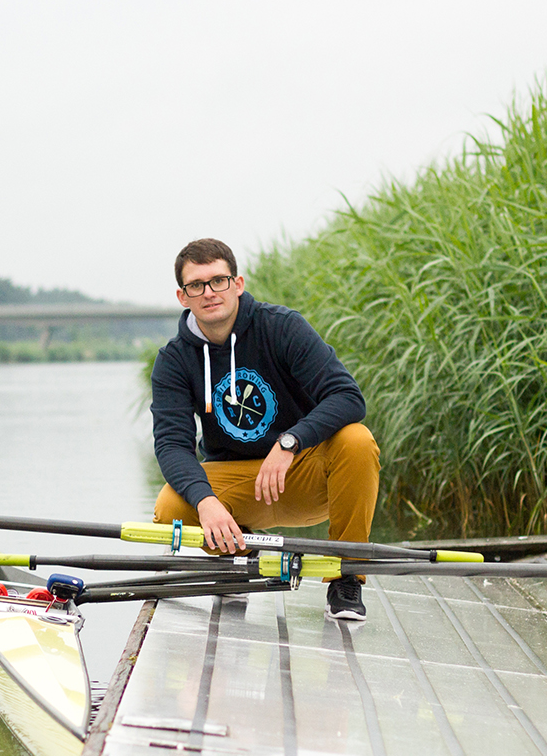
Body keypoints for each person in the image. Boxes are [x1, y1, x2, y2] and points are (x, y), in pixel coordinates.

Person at [150, 237, 380, 620]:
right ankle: (239, 552)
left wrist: (290, 442)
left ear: (237, 284)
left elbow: (348, 397)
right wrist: (206, 503)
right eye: (196, 285)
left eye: (218, 280)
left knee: (357, 440)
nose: (209, 292)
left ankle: (346, 577)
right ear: (182, 296)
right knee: (170, 505)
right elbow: (172, 446)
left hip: (301, 473)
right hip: (241, 487)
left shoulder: (282, 328)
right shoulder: (174, 361)